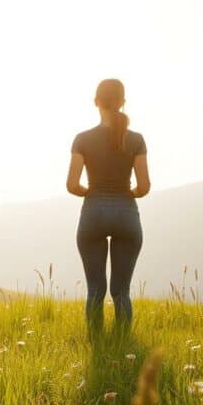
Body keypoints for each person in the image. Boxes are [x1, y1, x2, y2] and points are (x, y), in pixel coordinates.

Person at [66, 79, 151, 337]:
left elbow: (72, 185)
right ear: (123, 102)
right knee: (121, 291)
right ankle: (123, 343)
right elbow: (144, 186)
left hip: (93, 214)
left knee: (95, 290)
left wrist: (92, 193)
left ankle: (97, 342)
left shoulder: (82, 139)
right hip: (126, 215)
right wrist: (126, 195)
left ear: (96, 102)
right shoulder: (136, 140)